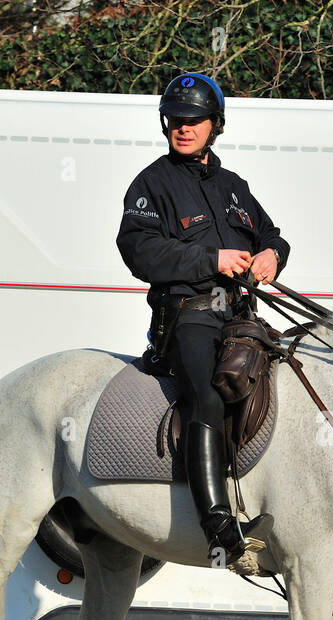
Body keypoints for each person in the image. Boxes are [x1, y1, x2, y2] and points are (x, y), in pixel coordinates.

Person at [116, 72, 288, 567]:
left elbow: (273, 235)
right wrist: (210, 260)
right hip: (187, 317)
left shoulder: (235, 187)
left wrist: (272, 256)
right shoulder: (152, 182)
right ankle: (217, 524)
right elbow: (139, 250)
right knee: (206, 396)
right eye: (176, 120)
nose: (183, 128)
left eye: (194, 120)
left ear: (216, 125)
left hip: (238, 316)